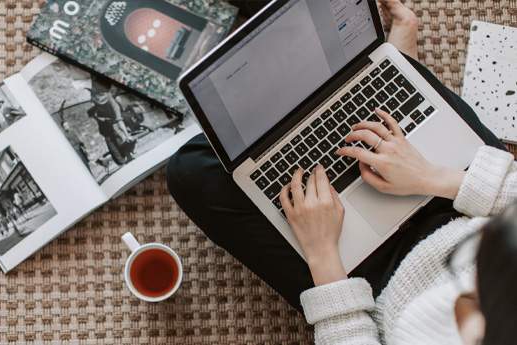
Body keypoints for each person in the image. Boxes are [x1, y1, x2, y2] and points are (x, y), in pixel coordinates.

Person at [166, 1, 517, 344]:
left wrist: (323, 256)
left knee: (192, 171)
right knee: (389, 74)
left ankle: (381, 64)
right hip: (465, 206)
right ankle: (382, 64)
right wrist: (429, 175)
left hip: (372, 288)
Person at [87, 78, 137, 165]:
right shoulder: (96, 94)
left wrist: (127, 135)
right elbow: (91, 111)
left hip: (113, 120)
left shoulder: (114, 105)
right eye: (96, 98)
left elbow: (120, 121)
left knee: (118, 138)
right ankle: (122, 158)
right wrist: (98, 119)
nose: (98, 100)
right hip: (104, 123)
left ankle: (127, 155)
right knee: (110, 140)